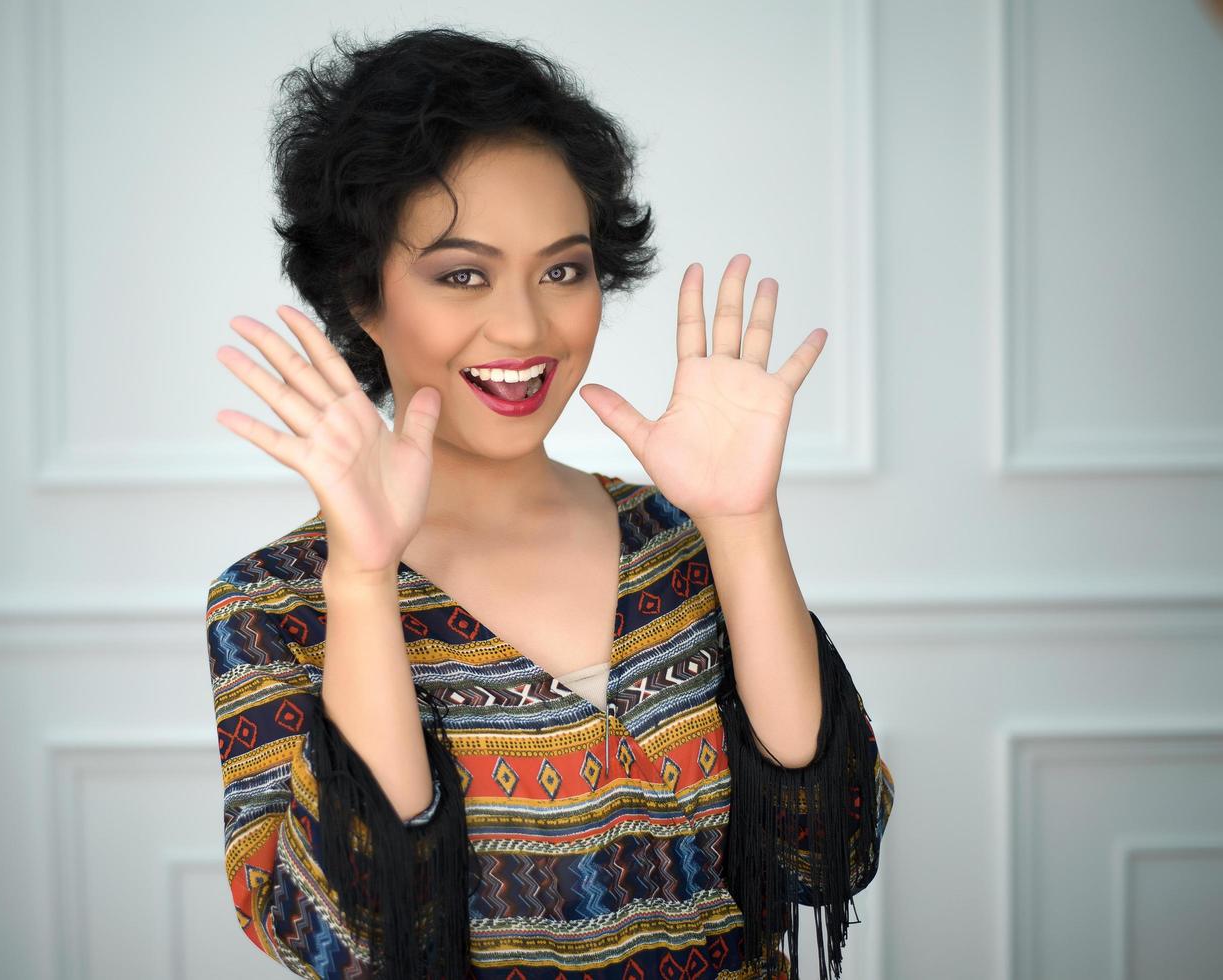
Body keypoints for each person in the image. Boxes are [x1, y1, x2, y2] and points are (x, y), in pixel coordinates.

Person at [205, 26, 894, 980]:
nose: (526, 325)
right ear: (362, 296)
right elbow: (346, 935)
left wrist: (741, 525)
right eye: (462, 275)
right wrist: (363, 579)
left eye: (562, 270)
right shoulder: (274, 603)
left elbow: (825, 852)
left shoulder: (677, 532)